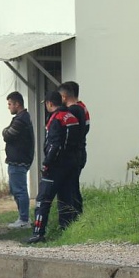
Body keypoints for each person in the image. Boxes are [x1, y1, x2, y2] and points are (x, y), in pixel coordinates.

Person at [27, 91, 81, 244]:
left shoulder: (56, 119)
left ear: (50, 103)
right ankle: (66, 230)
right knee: (66, 199)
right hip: (71, 165)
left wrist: (47, 163)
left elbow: (54, 145)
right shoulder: (71, 117)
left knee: (43, 200)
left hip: (56, 166)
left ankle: (38, 232)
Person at [2, 91, 35, 229]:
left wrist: (5, 131)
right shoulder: (21, 117)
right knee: (16, 189)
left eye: (10, 104)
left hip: (18, 160)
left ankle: (24, 219)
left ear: (17, 104)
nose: (8, 107)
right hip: (17, 160)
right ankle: (22, 218)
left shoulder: (21, 119)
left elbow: (8, 134)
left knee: (20, 190)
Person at [58, 81, 90, 218]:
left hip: (74, 154)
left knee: (70, 188)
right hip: (80, 151)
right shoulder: (82, 108)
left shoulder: (73, 111)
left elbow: (70, 135)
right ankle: (77, 216)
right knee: (74, 187)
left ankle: (72, 217)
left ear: (64, 96)